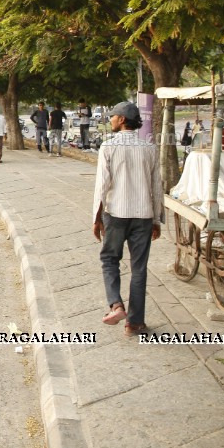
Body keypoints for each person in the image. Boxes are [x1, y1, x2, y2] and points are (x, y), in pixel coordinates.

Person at [92, 101, 163, 337]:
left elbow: (102, 185)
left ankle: (116, 305)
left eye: (112, 116)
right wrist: (156, 219)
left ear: (122, 119)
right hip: (143, 215)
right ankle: (134, 323)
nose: (110, 119)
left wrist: (96, 217)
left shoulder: (108, 147)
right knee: (139, 268)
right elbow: (156, 186)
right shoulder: (150, 148)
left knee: (110, 259)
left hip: (115, 213)